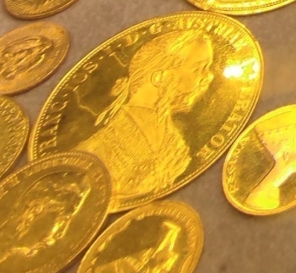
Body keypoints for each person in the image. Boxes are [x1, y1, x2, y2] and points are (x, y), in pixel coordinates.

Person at [76, 29, 216, 200]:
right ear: (160, 78)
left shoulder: (175, 141)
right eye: (198, 68)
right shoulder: (94, 149)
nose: (209, 76)